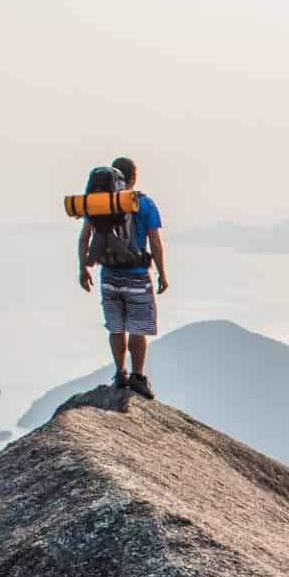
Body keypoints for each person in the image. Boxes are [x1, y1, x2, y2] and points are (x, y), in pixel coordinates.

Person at [77, 156, 168, 398]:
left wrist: (82, 268)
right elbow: (155, 242)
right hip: (137, 275)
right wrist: (162, 273)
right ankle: (138, 377)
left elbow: (84, 237)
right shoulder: (143, 204)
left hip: (108, 276)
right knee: (138, 328)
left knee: (116, 328)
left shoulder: (98, 205)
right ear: (133, 178)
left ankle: (120, 374)